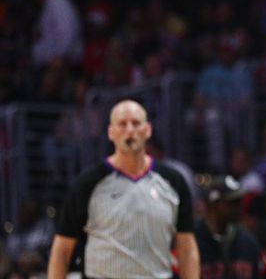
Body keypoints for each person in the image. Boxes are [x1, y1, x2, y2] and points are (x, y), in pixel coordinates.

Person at [47, 100, 200, 279]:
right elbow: (62, 250)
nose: (129, 130)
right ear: (111, 133)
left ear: (148, 130)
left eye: (136, 123)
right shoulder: (87, 184)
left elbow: (187, 247)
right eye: (122, 124)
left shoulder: (174, 181)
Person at [196, 175, 266, 279]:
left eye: (239, 201)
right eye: (232, 203)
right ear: (214, 205)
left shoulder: (248, 242)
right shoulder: (191, 241)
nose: (239, 207)